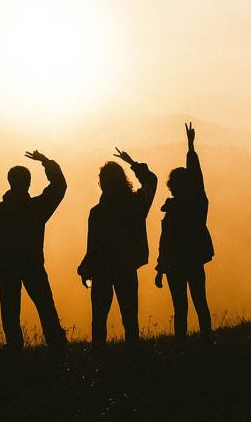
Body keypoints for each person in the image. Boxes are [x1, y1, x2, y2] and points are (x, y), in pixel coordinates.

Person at [0, 150, 68, 352]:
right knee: (45, 305)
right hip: (33, 264)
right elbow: (59, 186)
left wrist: (5, 254)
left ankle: (14, 347)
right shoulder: (36, 208)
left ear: (10, 182)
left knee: (9, 308)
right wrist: (46, 162)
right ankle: (57, 344)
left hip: (7, 264)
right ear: (28, 183)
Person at [77, 147, 157, 348]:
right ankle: (133, 358)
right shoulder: (137, 203)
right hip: (127, 267)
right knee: (130, 318)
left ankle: (98, 358)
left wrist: (85, 269)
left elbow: (93, 246)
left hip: (102, 271)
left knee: (99, 319)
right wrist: (133, 163)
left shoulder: (97, 212)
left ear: (102, 184)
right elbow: (151, 181)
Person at [154, 122, 214, 344]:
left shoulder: (181, 208)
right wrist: (190, 147)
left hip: (175, 265)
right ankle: (206, 343)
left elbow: (165, 243)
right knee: (199, 303)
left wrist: (161, 269)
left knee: (181, 307)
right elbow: (197, 177)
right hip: (191, 261)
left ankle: (181, 346)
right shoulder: (197, 204)